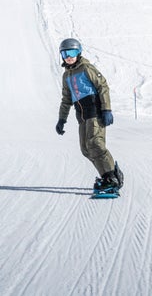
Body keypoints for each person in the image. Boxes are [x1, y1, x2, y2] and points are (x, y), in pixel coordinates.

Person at [54, 38, 123, 193]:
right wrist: (61, 119)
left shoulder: (86, 68)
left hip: (95, 113)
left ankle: (112, 177)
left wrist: (106, 109)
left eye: (72, 52)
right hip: (82, 117)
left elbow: (103, 86)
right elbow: (66, 99)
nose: (69, 57)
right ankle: (107, 176)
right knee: (86, 149)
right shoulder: (66, 76)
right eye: (65, 53)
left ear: (78, 53)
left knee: (96, 144)